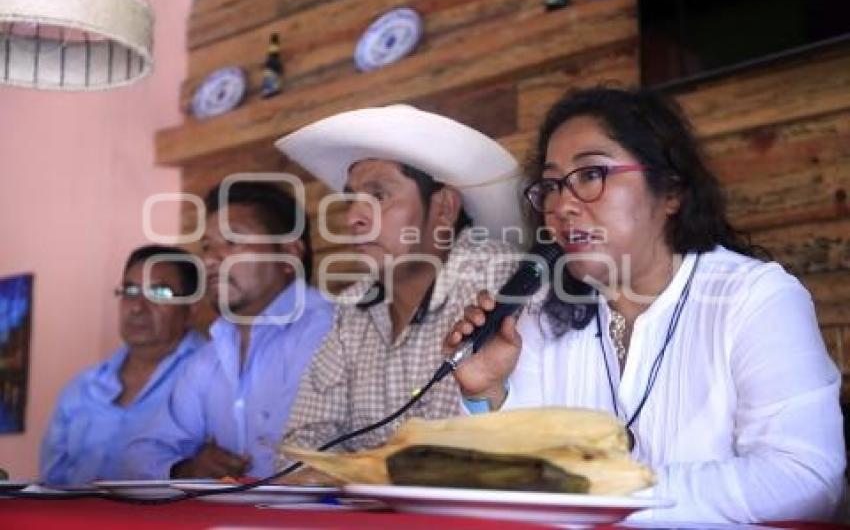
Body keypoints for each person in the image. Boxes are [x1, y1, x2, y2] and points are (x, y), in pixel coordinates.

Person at [445, 87, 846, 523]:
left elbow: (805, 480)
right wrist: (487, 393)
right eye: (550, 186)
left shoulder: (755, 299)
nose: (561, 206)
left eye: (591, 175)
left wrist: (607, 492)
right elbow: (515, 483)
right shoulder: (543, 318)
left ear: (670, 190)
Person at [274, 105, 524, 461]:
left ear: (444, 208)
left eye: (379, 196)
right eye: (351, 199)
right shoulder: (352, 307)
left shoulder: (497, 279)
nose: (355, 217)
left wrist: (356, 469)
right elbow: (299, 446)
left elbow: (479, 454)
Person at [123, 182, 334, 479]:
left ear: (289, 255)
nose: (210, 260)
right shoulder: (210, 357)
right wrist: (186, 469)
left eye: (233, 242)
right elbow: (140, 455)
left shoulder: (335, 333)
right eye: (207, 247)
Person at [40, 245, 204, 485]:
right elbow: (50, 483)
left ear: (191, 309)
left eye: (160, 292)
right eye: (130, 290)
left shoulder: (212, 376)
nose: (137, 307)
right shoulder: (81, 388)